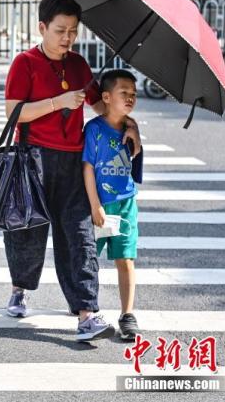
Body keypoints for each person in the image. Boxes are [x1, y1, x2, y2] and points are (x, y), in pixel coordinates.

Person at [3, 0, 141, 342]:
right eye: (60, 30)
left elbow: (99, 105)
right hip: (32, 155)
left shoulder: (79, 65)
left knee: (78, 237)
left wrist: (128, 123)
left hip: (72, 160)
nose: (67, 38)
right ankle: (20, 287)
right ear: (42, 28)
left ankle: (86, 312)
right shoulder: (25, 63)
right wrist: (57, 102)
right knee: (28, 232)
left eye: (73, 31)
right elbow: (13, 112)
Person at [82, 69, 142, 342]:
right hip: (100, 206)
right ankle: (86, 305)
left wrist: (135, 131)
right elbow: (88, 168)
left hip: (126, 204)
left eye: (133, 94)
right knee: (88, 259)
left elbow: (135, 163)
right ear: (106, 96)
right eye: (124, 93)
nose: (130, 97)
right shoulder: (94, 129)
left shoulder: (131, 129)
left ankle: (127, 314)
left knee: (126, 259)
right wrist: (95, 205)